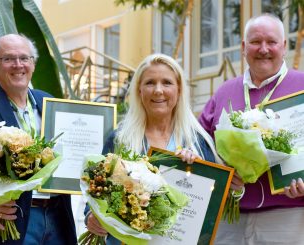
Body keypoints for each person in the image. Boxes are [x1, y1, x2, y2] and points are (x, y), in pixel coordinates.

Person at [84, 53, 222, 244]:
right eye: (150, 83)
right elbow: (95, 194)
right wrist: (92, 219)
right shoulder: (119, 139)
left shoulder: (197, 142)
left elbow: (215, 206)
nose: (158, 90)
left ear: (179, 90)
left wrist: (197, 172)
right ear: (139, 90)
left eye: (167, 82)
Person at [199, 13, 304, 244]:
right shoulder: (224, 91)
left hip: (288, 220)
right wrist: (221, 173)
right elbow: (200, 145)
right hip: (230, 219)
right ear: (244, 47)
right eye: (256, 42)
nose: (263, 49)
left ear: (284, 46)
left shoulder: (303, 86)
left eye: (272, 42)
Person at [0, 34, 77, 245]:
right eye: (8, 59)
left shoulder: (48, 100)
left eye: (25, 58)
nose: (18, 65)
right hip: (11, 219)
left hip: (57, 217)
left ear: (33, 63)